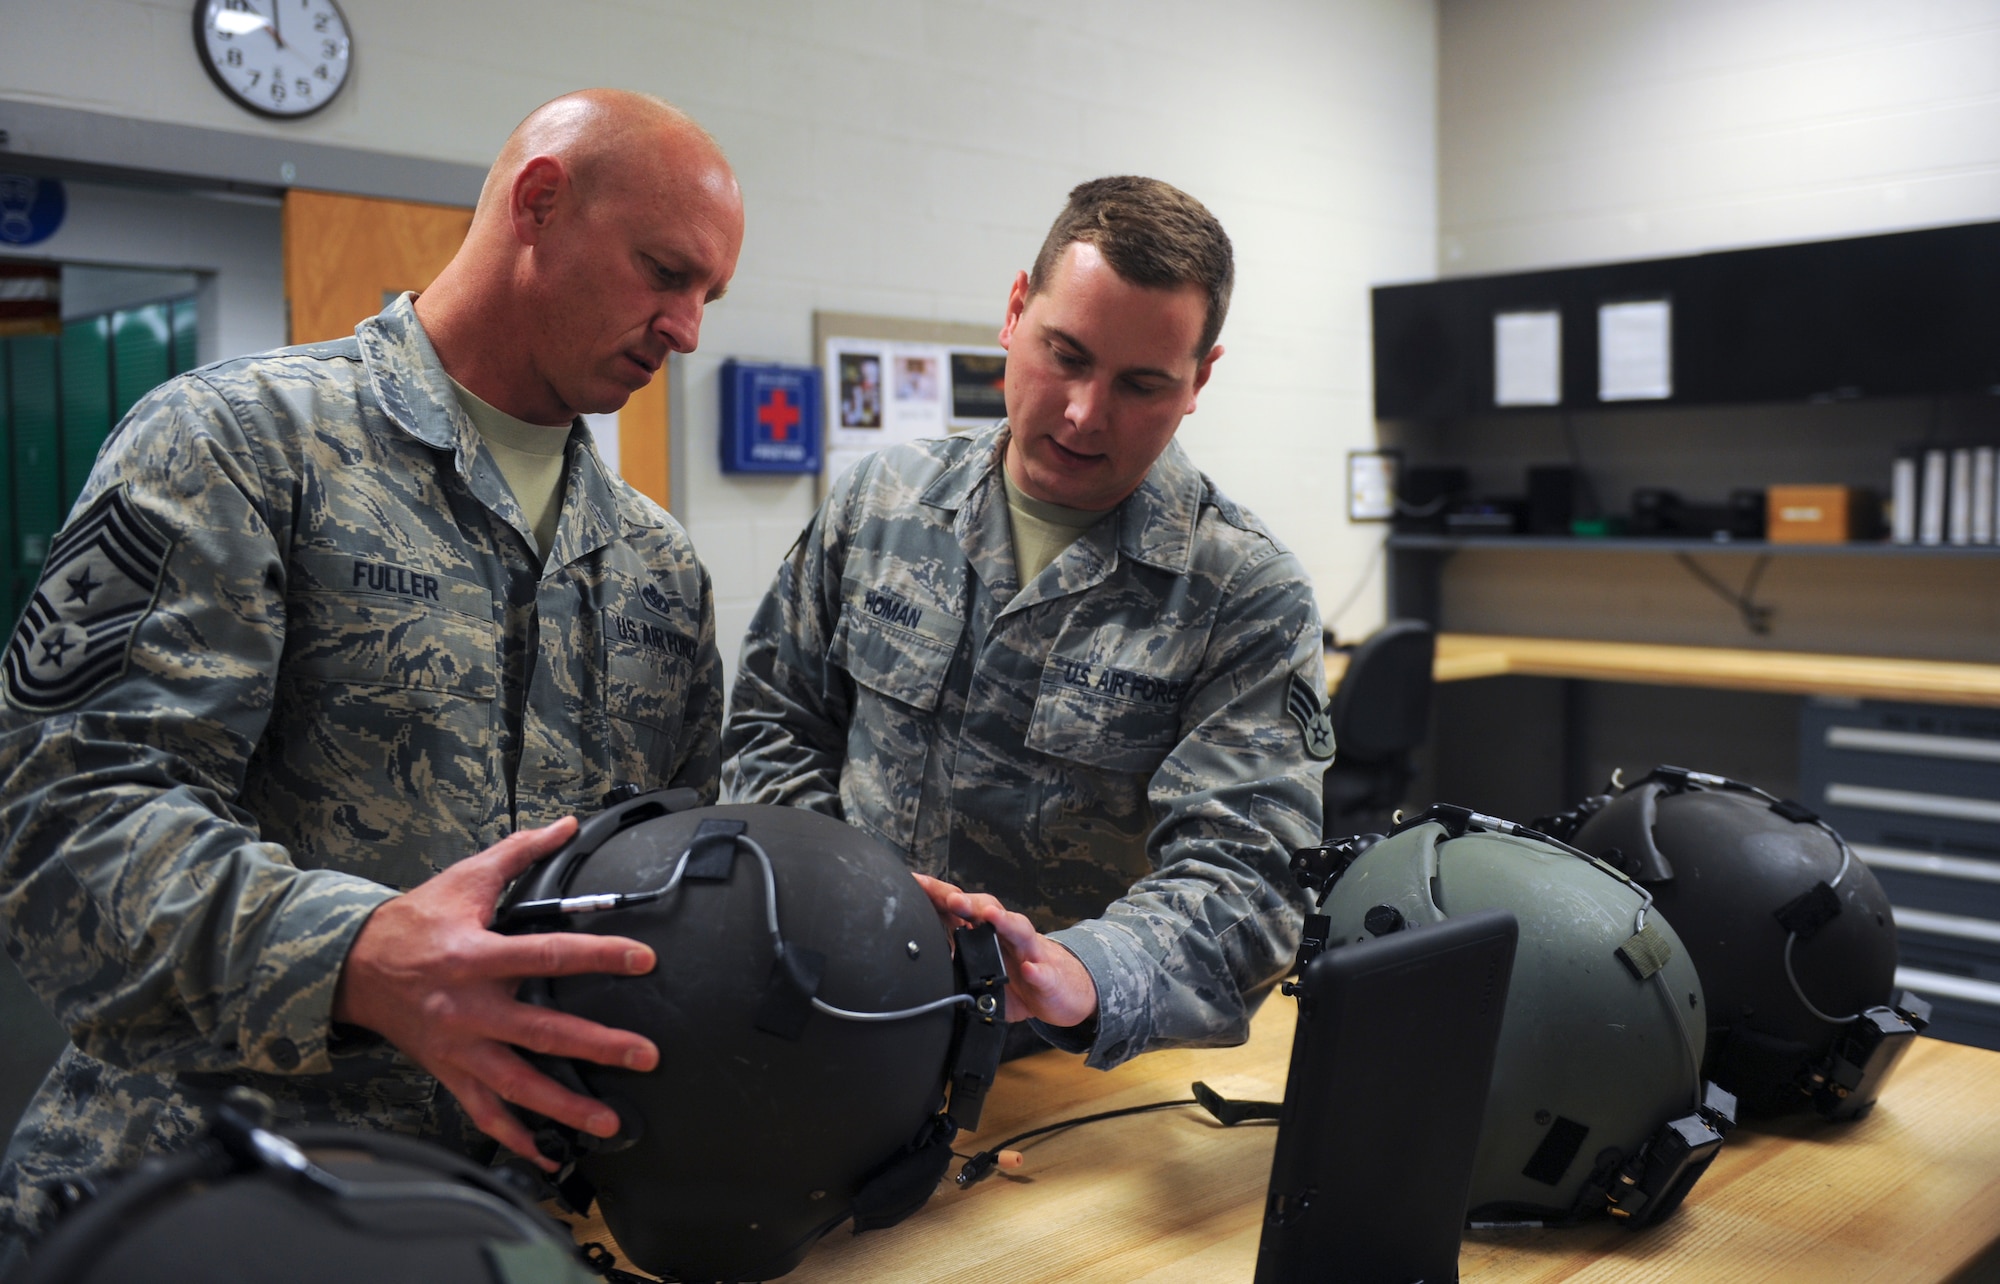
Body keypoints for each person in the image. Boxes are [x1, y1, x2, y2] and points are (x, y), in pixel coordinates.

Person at [0, 89, 743, 1258]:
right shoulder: (235, 445)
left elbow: (667, 880)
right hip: (202, 1198)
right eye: (665, 272)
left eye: (710, 297)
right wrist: (354, 955)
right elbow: (65, 826)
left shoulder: (656, 565)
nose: (687, 329)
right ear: (539, 203)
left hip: (505, 1217)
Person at [722, 176, 1328, 1070]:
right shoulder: (882, 502)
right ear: (1015, 312)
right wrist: (835, 910)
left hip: (1071, 1057)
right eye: (1066, 355)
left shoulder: (1244, 589)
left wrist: (1081, 973)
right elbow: (774, 727)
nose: (1086, 413)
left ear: (1200, 380)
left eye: (1141, 384)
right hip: (831, 1014)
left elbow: (1249, 878)